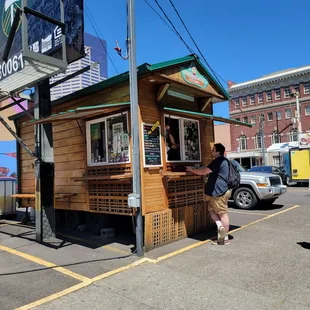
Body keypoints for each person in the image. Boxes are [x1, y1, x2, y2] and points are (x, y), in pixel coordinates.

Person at [186, 143, 231, 245]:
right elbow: (207, 169)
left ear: (218, 152)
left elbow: (204, 171)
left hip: (218, 193)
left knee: (222, 213)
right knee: (211, 210)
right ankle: (220, 228)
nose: (211, 152)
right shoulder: (222, 161)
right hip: (215, 192)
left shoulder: (219, 161)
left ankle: (224, 238)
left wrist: (192, 169)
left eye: (213, 150)